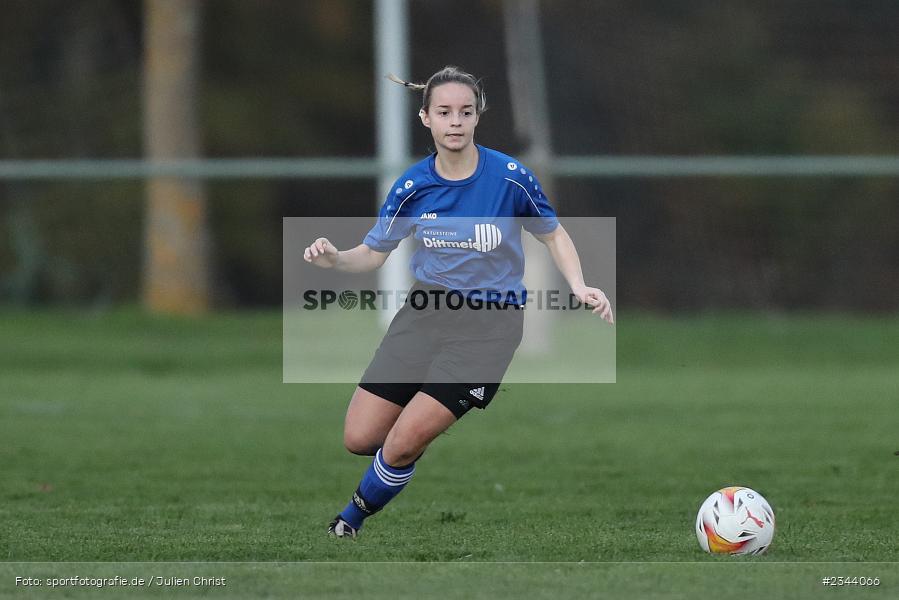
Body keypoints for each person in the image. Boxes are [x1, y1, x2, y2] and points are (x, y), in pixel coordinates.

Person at [303, 66, 614, 538]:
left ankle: (349, 521)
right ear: (425, 117)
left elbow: (553, 234)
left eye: (465, 112)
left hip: (490, 328)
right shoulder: (413, 186)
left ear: (477, 117)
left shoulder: (510, 178)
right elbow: (370, 254)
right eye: (444, 112)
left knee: (404, 440)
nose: (455, 122)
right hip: (424, 314)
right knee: (360, 438)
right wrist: (333, 259)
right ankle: (412, 438)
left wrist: (579, 284)